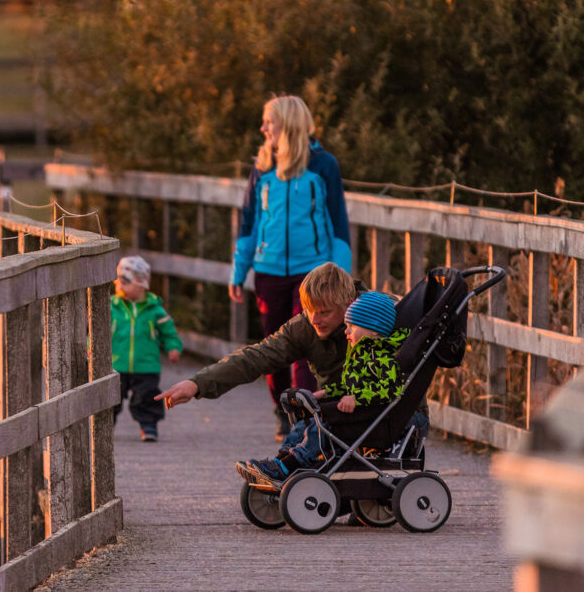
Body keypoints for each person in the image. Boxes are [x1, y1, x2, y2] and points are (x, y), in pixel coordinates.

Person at [229, 94, 352, 439]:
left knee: (307, 342)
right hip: (268, 270)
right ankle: (283, 411)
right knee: (274, 345)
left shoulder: (323, 165)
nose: (263, 127)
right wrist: (239, 271)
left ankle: (305, 414)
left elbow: (338, 222)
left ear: (288, 123)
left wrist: (341, 280)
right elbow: (249, 223)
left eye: (269, 121)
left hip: (311, 272)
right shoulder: (262, 168)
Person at [236, 290, 421, 482]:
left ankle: (289, 465)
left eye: (352, 326)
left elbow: (389, 390)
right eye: (346, 326)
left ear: (374, 330)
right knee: (305, 423)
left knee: (320, 426)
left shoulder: (382, 358)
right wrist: (325, 393)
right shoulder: (361, 354)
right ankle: (282, 460)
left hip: (368, 419)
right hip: (357, 415)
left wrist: (357, 399)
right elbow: (350, 384)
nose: (346, 331)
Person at [156, 263, 356, 428]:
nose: (314, 320)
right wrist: (197, 383)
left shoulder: (379, 318)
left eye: (324, 313)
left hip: (369, 408)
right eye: (309, 310)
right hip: (335, 408)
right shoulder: (304, 327)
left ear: (348, 303)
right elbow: (257, 357)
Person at [111, 255, 183, 442]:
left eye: (125, 282)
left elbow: (168, 332)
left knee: (147, 397)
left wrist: (173, 347)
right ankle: (104, 429)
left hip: (146, 365)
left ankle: (149, 425)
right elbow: (96, 332)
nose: (119, 287)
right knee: (110, 399)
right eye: (118, 282)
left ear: (141, 284)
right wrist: (89, 347)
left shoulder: (154, 310)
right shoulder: (112, 307)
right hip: (116, 363)